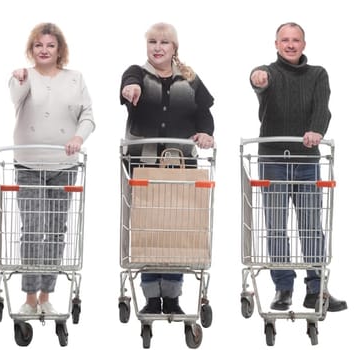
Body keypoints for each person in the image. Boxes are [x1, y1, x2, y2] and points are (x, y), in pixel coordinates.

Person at [249, 22, 347, 313]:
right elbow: (258, 81)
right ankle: (283, 287)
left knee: (311, 225)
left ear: (304, 44)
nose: (290, 45)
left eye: (295, 40)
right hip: (273, 160)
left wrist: (316, 130)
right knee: (277, 225)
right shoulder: (269, 72)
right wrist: (257, 79)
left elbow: (322, 107)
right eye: (284, 40)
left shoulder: (318, 74)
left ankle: (317, 288)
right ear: (276, 44)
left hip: (306, 160)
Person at [120, 22, 215, 314]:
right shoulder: (137, 74)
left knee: (176, 228)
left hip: (180, 163)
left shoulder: (190, 79)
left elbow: (204, 113)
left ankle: (172, 297)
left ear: (174, 48)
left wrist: (205, 133)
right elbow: (129, 79)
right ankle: (151, 297)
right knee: (149, 227)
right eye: (152, 42)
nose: (157, 48)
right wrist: (131, 87)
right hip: (144, 164)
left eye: (164, 43)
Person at [9, 22, 95, 315]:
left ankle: (47, 296)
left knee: (57, 229)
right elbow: (15, 97)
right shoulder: (24, 76)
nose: (44, 50)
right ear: (31, 49)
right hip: (29, 164)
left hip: (63, 165)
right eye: (38, 45)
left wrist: (77, 137)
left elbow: (88, 116)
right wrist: (19, 78)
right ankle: (30, 298)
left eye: (50, 45)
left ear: (60, 50)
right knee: (33, 228)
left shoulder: (75, 78)